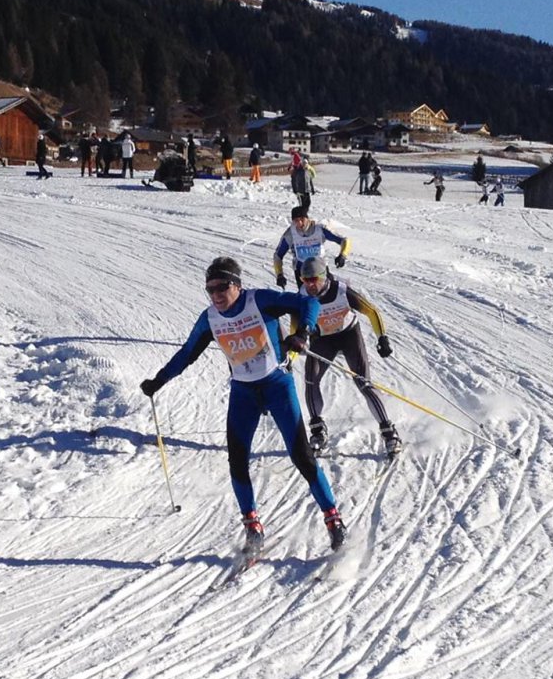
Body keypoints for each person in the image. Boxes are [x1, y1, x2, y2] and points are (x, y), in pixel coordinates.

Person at [140, 256, 345, 554]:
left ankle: (333, 519)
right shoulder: (209, 318)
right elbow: (186, 353)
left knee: (302, 456)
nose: (216, 295)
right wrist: (158, 381)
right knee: (237, 461)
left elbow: (308, 304)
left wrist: (304, 332)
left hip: (277, 384)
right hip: (243, 393)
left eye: (222, 286)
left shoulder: (259, 300)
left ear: (237, 285)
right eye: (210, 289)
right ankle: (253, 527)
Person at [296, 255, 401, 458]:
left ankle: (389, 433)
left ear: (323, 275)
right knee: (311, 380)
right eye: (305, 280)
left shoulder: (341, 290)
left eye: (313, 279)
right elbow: (296, 325)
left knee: (364, 383)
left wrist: (382, 338)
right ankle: (318, 431)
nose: (310, 285)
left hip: (348, 335)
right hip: (322, 339)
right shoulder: (301, 295)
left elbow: (372, 311)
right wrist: (293, 351)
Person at [273, 203, 351, 287]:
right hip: (302, 272)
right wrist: (279, 274)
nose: (299, 223)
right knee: (307, 297)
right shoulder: (290, 234)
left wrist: (343, 255)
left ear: (307, 218)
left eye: (302, 219)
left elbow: (345, 240)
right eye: (296, 220)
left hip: (320, 269)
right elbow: (278, 255)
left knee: (328, 294)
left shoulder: (320, 229)